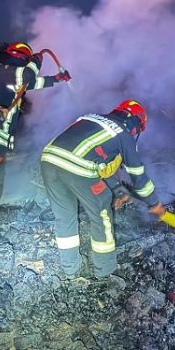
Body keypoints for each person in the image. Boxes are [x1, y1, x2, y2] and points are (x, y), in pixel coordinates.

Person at [0, 42, 70, 241]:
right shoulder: (2, 70)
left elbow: (31, 83)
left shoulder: (6, 75)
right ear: (22, 59)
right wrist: (36, 61)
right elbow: (28, 77)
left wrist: (56, 79)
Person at [40, 99, 157, 279]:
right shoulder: (123, 133)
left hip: (49, 160)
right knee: (102, 214)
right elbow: (137, 175)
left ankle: (70, 270)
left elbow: (97, 162)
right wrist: (154, 203)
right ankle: (105, 271)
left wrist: (117, 188)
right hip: (78, 167)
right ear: (135, 124)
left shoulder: (91, 118)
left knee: (64, 216)